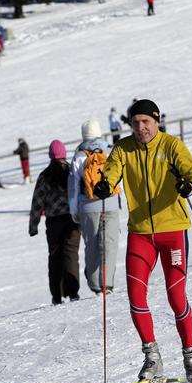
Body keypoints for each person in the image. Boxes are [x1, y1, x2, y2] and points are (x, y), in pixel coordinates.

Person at [94, 99, 192, 383]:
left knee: (175, 295)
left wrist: (189, 184)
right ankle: (152, 357)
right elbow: (112, 170)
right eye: (135, 123)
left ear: (156, 121)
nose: (141, 128)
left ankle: (190, 357)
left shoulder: (171, 146)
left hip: (173, 231)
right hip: (141, 233)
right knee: (135, 296)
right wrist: (106, 183)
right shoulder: (123, 149)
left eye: (146, 122)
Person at [69, 120, 122, 296]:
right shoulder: (109, 149)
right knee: (110, 244)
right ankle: (108, 284)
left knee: (91, 244)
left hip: (88, 205)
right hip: (111, 202)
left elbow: (74, 186)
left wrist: (74, 210)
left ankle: (95, 285)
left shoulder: (79, 155)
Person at [29, 140, 81, 305]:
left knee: (55, 256)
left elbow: (37, 202)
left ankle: (56, 296)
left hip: (53, 223)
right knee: (71, 254)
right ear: (64, 153)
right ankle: (73, 292)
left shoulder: (45, 176)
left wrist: (33, 225)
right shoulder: (72, 172)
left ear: (51, 155)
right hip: (73, 219)